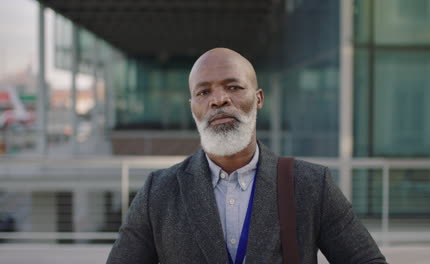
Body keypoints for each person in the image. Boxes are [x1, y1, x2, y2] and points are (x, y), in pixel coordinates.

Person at [106, 48, 387, 264]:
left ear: (259, 99)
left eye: (233, 87)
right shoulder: (159, 191)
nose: (219, 99)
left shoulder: (312, 184)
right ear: (193, 108)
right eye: (204, 92)